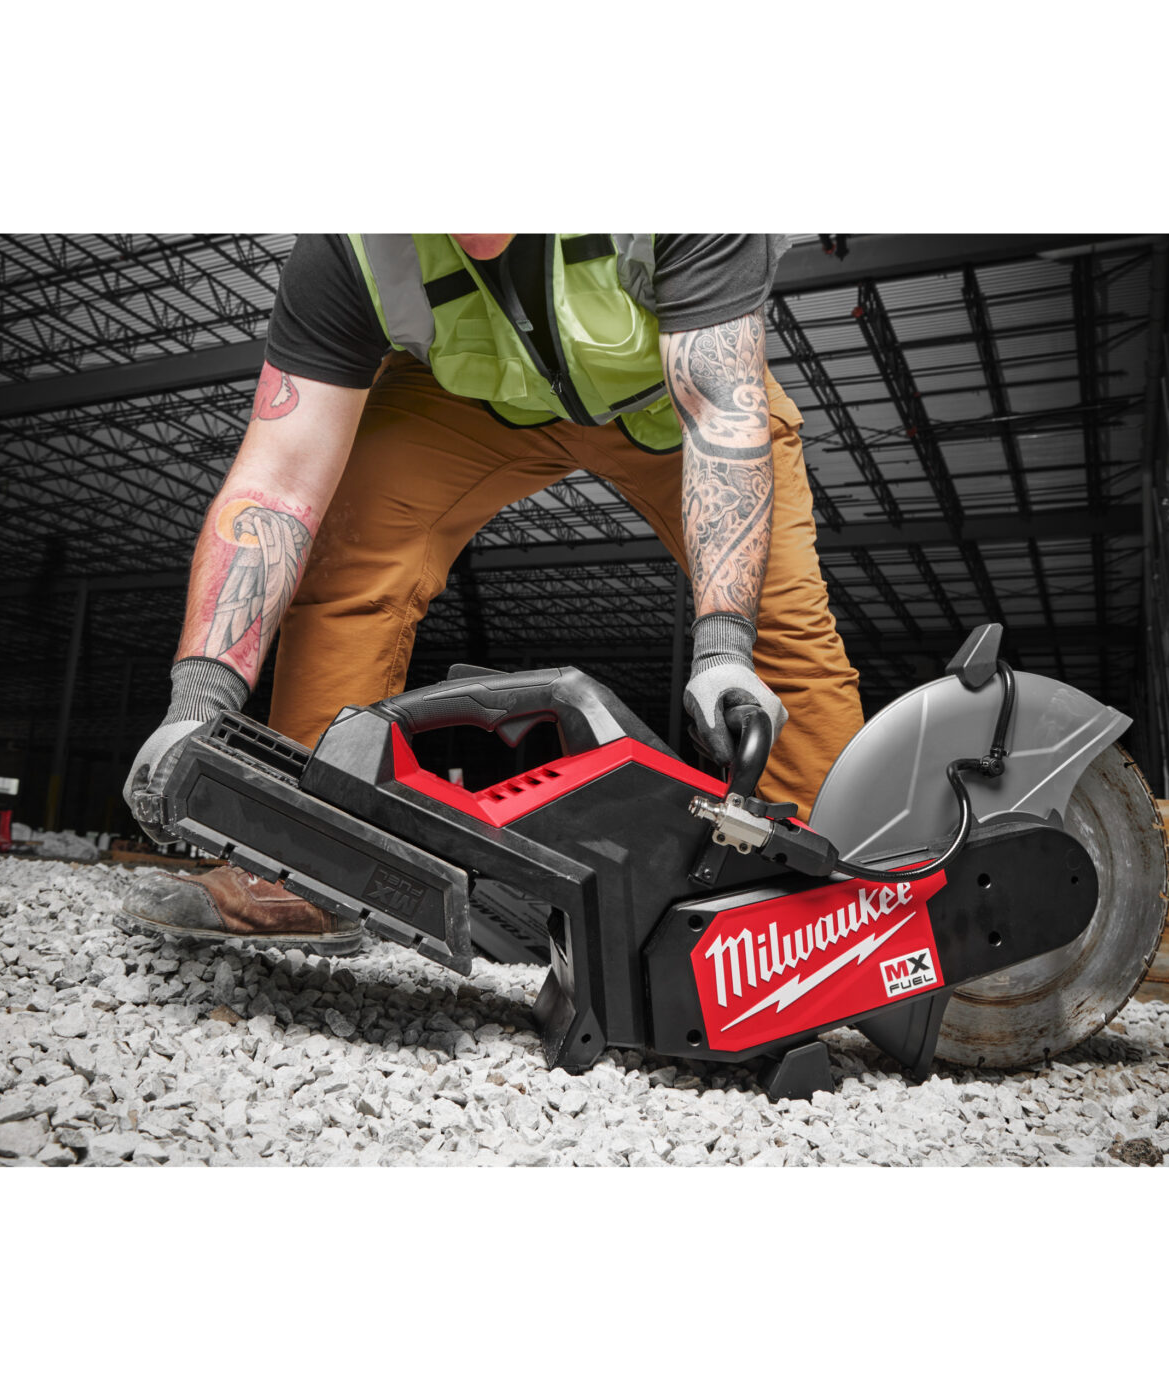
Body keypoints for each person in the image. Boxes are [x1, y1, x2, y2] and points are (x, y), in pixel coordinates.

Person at [117, 234, 863, 951]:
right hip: (474, 402)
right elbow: (279, 483)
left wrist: (725, 645)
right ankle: (306, 867)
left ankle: (853, 902)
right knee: (350, 557)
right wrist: (198, 706)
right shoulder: (349, 247)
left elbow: (721, 410)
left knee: (775, 622)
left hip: (679, 395)